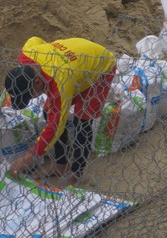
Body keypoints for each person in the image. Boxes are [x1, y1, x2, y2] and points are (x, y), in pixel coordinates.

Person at [5, 37, 116, 183]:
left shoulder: (60, 83)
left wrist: (27, 159)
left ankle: (76, 172)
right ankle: (61, 165)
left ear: (37, 82)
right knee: (48, 111)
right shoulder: (26, 54)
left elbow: (55, 126)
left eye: (29, 95)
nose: (31, 99)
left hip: (100, 67)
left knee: (82, 120)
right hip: (75, 64)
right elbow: (35, 39)